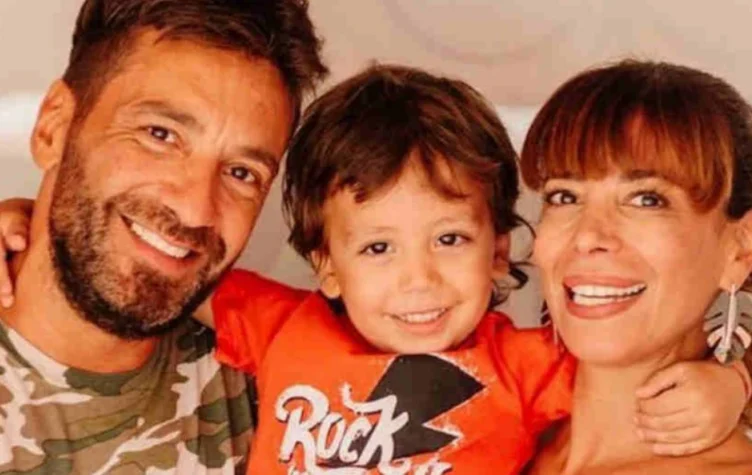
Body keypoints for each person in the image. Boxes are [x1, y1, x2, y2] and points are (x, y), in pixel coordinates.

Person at [1, 62, 749, 472]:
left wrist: (738, 381)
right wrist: (34, 222)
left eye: (648, 199)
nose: (418, 280)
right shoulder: (283, 327)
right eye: (564, 196)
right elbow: (149, 260)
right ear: (327, 264)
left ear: (498, 251)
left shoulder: (525, 367)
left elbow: (649, 364)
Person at [0, 0, 327, 472]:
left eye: (241, 173)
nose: (196, 209)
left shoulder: (293, 398)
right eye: (160, 134)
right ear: (54, 128)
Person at [519, 60, 752, 474]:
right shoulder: (490, 437)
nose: (588, 236)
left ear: (740, 249)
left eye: (647, 199)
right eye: (564, 196)